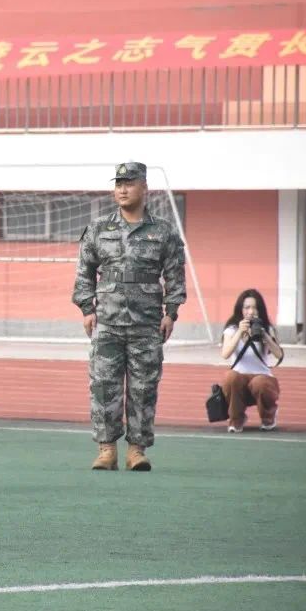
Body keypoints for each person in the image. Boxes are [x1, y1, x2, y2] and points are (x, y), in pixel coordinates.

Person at [72, 161, 187, 471]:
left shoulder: (163, 231)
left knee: (143, 388)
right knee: (103, 387)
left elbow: (175, 275)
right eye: (118, 184)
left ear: (144, 187)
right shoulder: (99, 228)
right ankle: (106, 450)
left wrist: (171, 312)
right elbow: (84, 272)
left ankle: (137, 450)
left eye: (129, 183)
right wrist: (87, 309)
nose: (122, 189)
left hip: (147, 324)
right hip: (107, 322)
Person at [220, 289, 283, 433]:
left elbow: (279, 354)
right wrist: (239, 332)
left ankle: (268, 417)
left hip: (262, 381)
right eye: (247, 307)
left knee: (260, 382)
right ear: (241, 309)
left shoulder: (267, 329)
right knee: (230, 377)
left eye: (255, 307)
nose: (251, 311)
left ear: (260, 310)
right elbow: (225, 354)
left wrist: (265, 335)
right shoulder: (232, 329)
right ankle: (236, 420)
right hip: (238, 383)